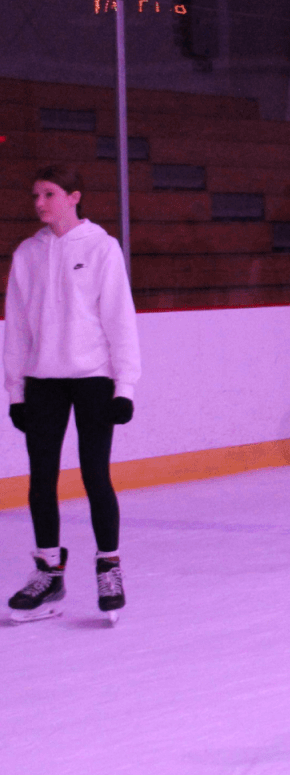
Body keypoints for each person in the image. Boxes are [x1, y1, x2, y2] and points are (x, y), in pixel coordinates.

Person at [5, 165, 140, 625]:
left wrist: (125, 386)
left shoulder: (102, 248)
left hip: (93, 379)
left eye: (48, 194)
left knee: (93, 474)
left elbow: (120, 319)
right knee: (41, 478)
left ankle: (109, 566)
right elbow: (17, 328)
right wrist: (16, 390)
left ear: (73, 197)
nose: (39, 203)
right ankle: (49, 572)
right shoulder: (27, 254)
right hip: (42, 381)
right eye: (35, 195)